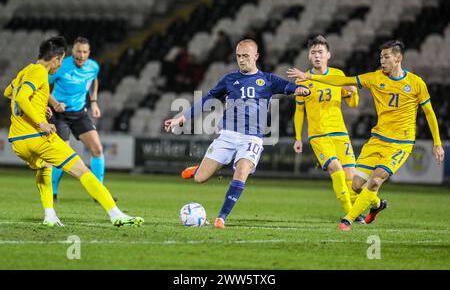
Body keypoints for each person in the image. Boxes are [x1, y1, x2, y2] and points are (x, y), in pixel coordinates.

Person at [288, 40, 445, 231]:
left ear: (398, 58)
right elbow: (343, 82)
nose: (382, 60)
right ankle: (377, 205)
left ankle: (348, 219)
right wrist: (308, 77)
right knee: (355, 184)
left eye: (386, 57)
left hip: (400, 143)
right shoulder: (375, 78)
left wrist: (437, 143)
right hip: (376, 139)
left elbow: (429, 112)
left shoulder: (415, 83)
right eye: (381, 57)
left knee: (375, 181)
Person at [164, 39, 311, 229]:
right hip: (227, 136)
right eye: (239, 56)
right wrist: (181, 118)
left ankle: (221, 218)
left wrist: (302, 90)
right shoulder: (229, 79)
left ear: (256, 56)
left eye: (246, 56)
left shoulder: (268, 80)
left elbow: (294, 88)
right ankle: (198, 169)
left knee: (241, 172)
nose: (242, 60)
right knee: (200, 179)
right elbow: (207, 99)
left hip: (252, 138)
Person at [3, 36, 143, 227]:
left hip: (18, 142)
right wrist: (40, 121)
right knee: (82, 170)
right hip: (38, 136)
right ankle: (116, 214)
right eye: (61, 61)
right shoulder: (39, 71)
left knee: (44, 168)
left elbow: (8, 93)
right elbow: (21, 97)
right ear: (57, 58)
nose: (60, 66)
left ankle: (50, 216)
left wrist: (39, 105)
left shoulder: (25, 70)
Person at [293, 35, 364, 223]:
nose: (317, 56)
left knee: (351, 178)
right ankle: (351, 215)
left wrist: (353, 91)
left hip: (340, 133)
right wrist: (298, 137)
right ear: (309, 56)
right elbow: (299, 111)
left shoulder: (338, 75)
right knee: (336, 170)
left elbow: (353, 104)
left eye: (320, 52)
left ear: (328, 55)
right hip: (318, 135)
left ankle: (364, 207)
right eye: (313, 52)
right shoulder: (303, 80)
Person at [48, 37, 110, 202]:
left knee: (97, 149)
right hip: (59, 115)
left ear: (89, 53)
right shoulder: (61, 66)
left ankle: (99, 193)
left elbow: (93, 81)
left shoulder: (93, 67)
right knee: (64, 155)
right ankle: (52, 193)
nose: (81, 55)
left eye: (84, 52)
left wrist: (94, 102)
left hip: (79, 114)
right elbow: (42, 86)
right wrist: (54, 103)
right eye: (78, 51)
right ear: (72, 52)